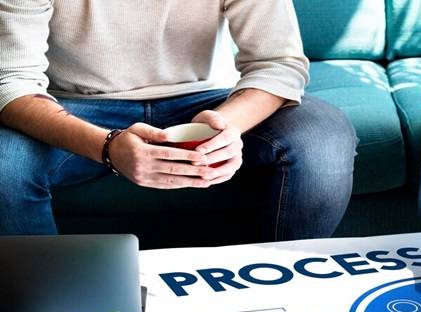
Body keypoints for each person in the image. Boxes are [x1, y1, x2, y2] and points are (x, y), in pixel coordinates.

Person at [0, 1, 357, 242]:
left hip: (207, 98)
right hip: (78, 106)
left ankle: (277, 296)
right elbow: (11, 82)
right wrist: (107, 147)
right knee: (5, 164)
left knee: (322, 138)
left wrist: (227, 125)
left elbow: (278, 63)